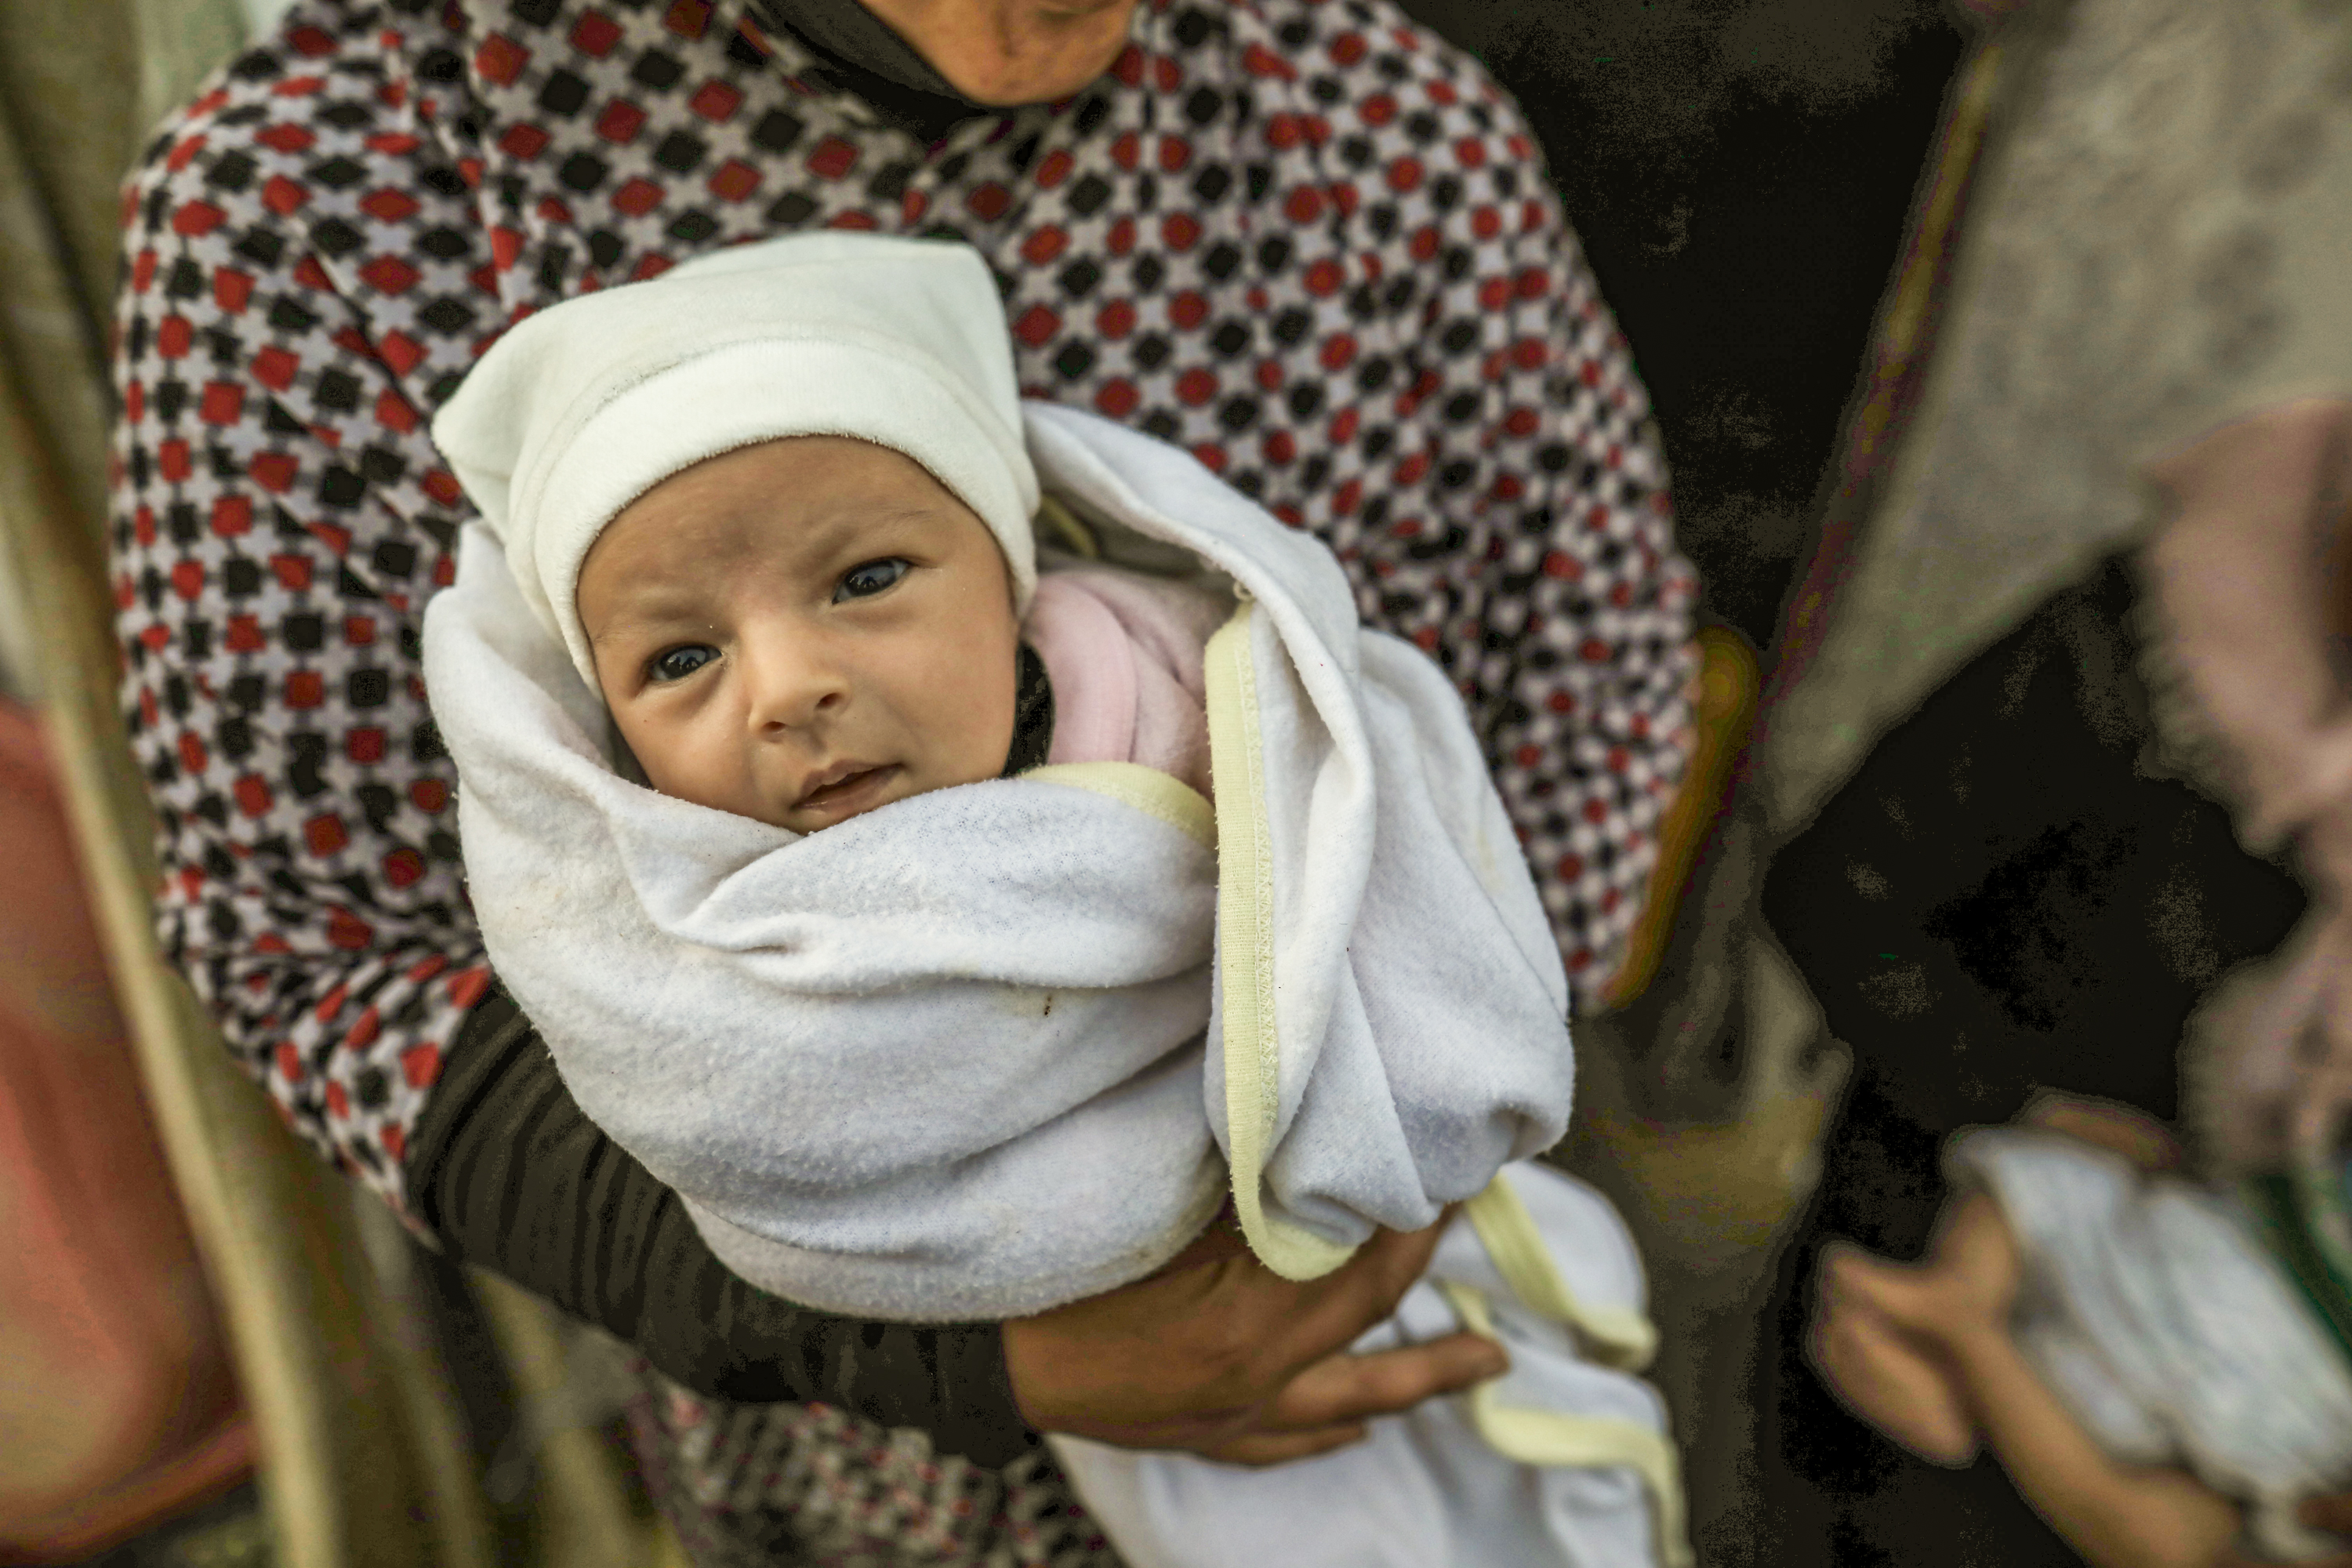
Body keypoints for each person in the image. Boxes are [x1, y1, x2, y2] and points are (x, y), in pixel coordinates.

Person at [109, 0, 1695, 1555]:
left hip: (1418, 1328)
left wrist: (1402, 1127)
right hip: (858, 1475)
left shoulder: (1376, 131)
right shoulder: (326, 212)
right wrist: (952, 1344)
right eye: (683, 659)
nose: (795, 685)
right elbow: (321, 945)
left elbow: (1592, 686)